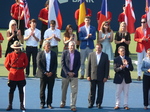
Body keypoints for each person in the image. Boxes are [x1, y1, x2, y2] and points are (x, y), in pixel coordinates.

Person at [4, 41, 28, 111]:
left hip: (20, 75)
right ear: (14, 48)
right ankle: (10, 104)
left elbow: (26, 63)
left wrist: (20, 68)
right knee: (11, 90)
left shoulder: (23, 55)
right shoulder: (10, 55)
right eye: (16, 48)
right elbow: (6, 64)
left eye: (18, 48)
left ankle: (21, 104)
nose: (17, 49)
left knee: (21, 90)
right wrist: (12, 70)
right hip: (13, 75)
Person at [86, 43, 109, 109]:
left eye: (99, 48)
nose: (98, 49)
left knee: (100, 91)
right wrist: (88, 75)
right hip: (93, 75)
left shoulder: (105, 56)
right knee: (92, 90)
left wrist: (106, 76)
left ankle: (99, 103)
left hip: (101, 77)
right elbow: (88, 66)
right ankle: (91, 103)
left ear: (101, 48)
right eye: (97, 47)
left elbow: (107, 67)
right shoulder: (91, 54)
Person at [60, 41, 80, 112]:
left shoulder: (78, 53)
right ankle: (63, 102)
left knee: (74, 91)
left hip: (74, 75)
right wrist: (68, 72)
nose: (72, 47)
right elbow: (62, 64)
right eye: (71, 46)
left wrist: (74, 72)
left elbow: (78, 64)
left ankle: (73, 105)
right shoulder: (64, 53)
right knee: (64, 90)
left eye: (73, 46)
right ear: (68, 46)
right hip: (65, 75)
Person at [36, 40, 57, 109]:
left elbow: (55, 64)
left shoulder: (54, 54)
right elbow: (39, 65)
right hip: (43, 75)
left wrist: (52, 72)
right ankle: (42, 103)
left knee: (50, 90)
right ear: (44, 46)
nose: (49, 47)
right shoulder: (40, 54)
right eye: (47, 45)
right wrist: (45, 72)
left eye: (49, 45)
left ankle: (49, 103)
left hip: (51, 75)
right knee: (42, 89)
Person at [113, 46, 133, 110]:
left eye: (123, 51)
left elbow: (131, 68)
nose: (123, 52)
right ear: (119, 52)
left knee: (126, 93)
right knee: (118, 92)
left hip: (126, 78)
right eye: (121, 51)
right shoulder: (116, 59)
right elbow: (115, 69)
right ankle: (117, 104)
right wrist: (121, 68)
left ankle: (125, 105)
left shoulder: (128, 59)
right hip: (119, 78)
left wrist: (127, 65)